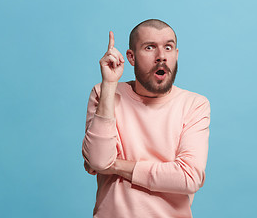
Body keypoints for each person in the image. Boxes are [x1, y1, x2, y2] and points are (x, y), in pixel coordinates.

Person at [82, 19, 210, 218]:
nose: (161, 57)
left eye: (168, 47)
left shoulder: (194, 105)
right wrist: (109, 84)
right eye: (150, 47)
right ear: (131, 57)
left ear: (176, 55)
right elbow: (99, 160)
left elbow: (188, 177)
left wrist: (114, 165)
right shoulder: (104, 93)